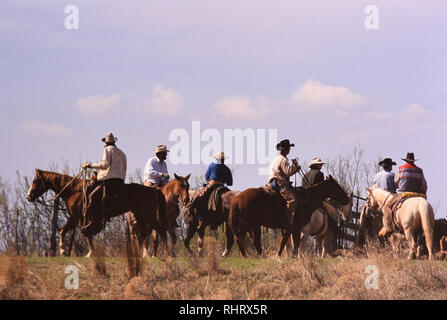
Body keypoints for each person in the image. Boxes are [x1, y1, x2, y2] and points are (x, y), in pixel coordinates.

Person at [82, 132, 127, 231]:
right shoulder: (122, 153)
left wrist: (90, 165)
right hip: (120, 181)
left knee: (91, 196)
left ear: (105, 143)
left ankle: (94, 221)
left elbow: (105, 164)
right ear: (114, 142)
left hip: (109, 181)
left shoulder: (107, 150)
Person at [188, 151, 233, 218]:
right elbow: (230, 183)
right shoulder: (226, 168)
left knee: (200, 195)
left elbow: (206, 177)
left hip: (212, 185)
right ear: (223, 159)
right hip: (222, 186)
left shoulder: (212, 165)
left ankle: (191, 207)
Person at [268, 139, 300, 225]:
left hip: (272, 182)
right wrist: (295, 167)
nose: (289, 150)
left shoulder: (276, 158)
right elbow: (288, 172)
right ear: (286, 149)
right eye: (289, 148)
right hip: (279, 183)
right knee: (293, 200)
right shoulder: (283, 160)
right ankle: (287, 219)